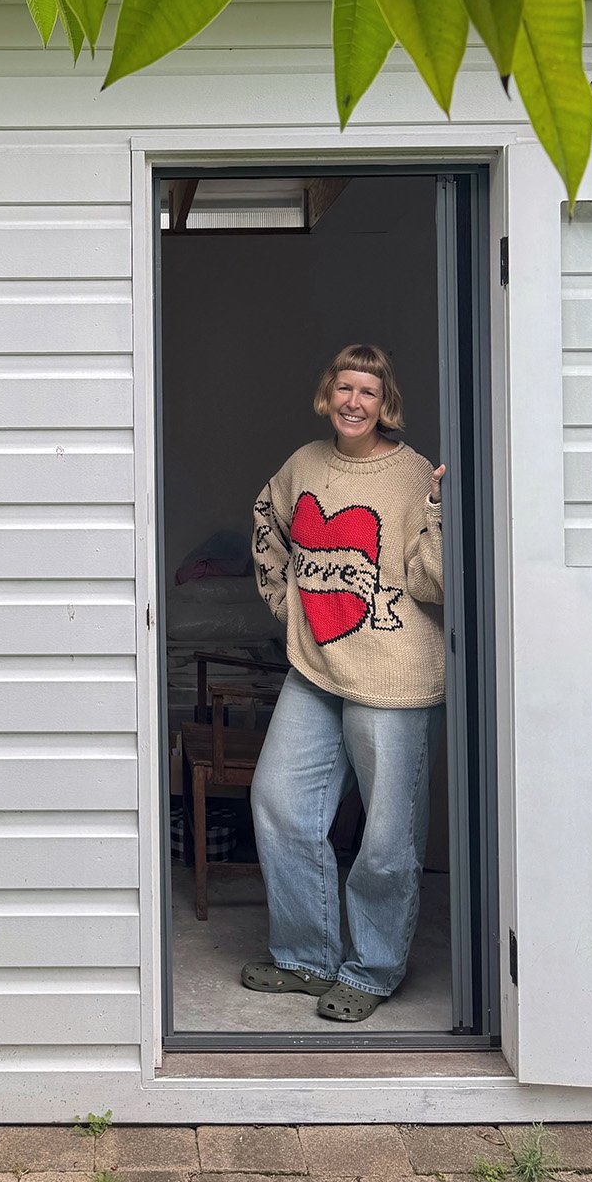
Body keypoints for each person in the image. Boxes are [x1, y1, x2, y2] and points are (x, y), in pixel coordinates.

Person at [243, 343, 445, 1023]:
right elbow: (268, 519)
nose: (354, 402)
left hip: (392, 676)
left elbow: (431, 583)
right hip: (317, 669)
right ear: (327, 393)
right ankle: (306, 955)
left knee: (387, 841)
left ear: (385, 402)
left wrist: (443, 514)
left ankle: (372, 968)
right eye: (343, 388)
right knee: (277, 800)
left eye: (368, 390)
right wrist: (284, 602)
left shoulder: (413, 473)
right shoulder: (303, 462)